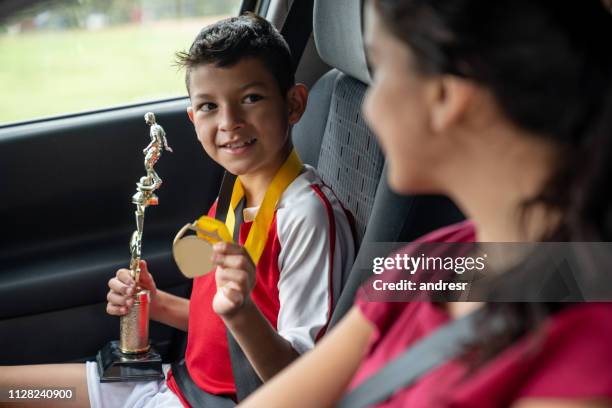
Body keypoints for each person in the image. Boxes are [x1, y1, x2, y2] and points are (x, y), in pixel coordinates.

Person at [239, 0, 612, 407]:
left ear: (444, 96)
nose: (371, 106)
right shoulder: (427, 262)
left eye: (380, 72)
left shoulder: (587, 361)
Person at [0, 13, 355, 408]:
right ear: (192, 118)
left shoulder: (305, 215)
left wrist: (241, 312)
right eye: (208, 106)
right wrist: (156, 303)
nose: (229, 123)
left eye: (251, 98)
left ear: (293, 104)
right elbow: (218, 328)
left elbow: (303, 387)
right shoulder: (236, 193)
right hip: (170, 381)